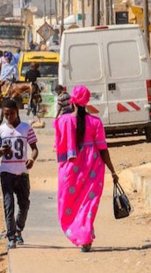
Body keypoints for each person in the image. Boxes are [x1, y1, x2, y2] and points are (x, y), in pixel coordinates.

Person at [53, 85, 119, 252]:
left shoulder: (63, 121)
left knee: (71, 204)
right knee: (88, 204)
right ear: (87, 102)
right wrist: (112, 170)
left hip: (70, 171)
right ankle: (86, 237)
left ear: (72, 101)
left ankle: (83, 235)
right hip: (93, 168)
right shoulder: (95, 122)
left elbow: (58, 146)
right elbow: (103, 149)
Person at [0, 99, 39, 248]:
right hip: (6, 172)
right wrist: (2, 151)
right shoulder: (0, 131)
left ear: (17, 111)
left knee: (24, 204)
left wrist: (32, 159)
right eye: (6, 114)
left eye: (11, 113)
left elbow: (34, 148)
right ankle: (11, 237)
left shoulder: (26, 128)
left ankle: (18, 229)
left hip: (22, 173)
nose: (9, 117)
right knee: (9, 205)